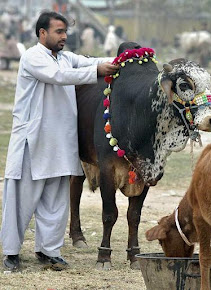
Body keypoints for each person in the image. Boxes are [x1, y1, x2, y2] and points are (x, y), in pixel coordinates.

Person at [0, 11, 118, 272]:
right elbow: (59, 76)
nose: (64, 36)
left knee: (55, 201)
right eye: (59, 32)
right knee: (22, 200)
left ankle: (49, 251)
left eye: (65, 32)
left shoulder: (64, 57)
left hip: (61, 141)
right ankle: (11, 253)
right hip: (35, 140)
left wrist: (127, 60)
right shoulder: (33, 57)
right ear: (42, 33)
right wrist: (95, 70)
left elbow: (91, 60)